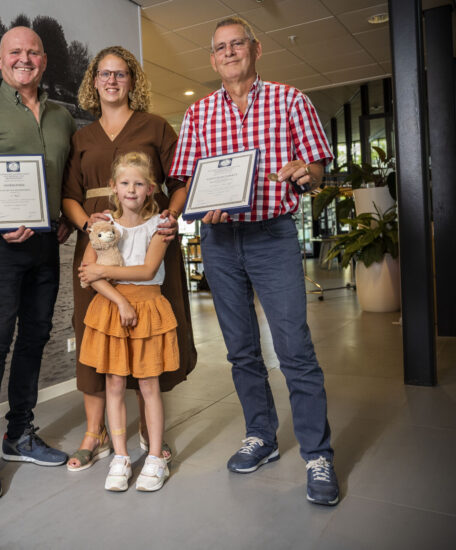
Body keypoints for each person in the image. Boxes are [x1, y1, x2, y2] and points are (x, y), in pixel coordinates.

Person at [169, 17, 339, 506]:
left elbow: (318, 172)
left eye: (236, 44)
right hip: (218, 239)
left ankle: (318, 454)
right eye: (219, 47)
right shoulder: (199, 114)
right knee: (241, 349)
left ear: (255, 49)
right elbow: (184, 180)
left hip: (272, 236)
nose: (228, 53)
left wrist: (305, 173)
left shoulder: (290, 100)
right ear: (212, 58)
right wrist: (179, 211)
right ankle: (261, 436)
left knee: (294, 348)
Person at [0, 26, 77, 501]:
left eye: (33, 52)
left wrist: (67, 217)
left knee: (36, 338)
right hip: (0, 247)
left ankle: (18, 435)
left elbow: (66, 180)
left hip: (46, 246)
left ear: (43, 61)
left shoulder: (64, 117)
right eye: (15, 53)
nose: (25, 59)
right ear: (0, 60)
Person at [62, 46, 196, 471]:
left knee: (149, 328)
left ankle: (147, 430)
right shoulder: (82, 138)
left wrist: (170, 218)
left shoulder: (155, 127)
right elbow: (68, 196)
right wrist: (89, 228)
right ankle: (94, 432)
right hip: (100, 237)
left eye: (121, 74)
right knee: (95, 333)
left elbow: (180, 182)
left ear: (132, 81)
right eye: (105, 74)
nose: (113, 81)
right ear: (94, 82)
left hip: (149, 237)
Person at [78, 151, 178, 492]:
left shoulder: (159, 227)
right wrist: (119, 299)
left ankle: (154, 456)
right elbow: (87, 275)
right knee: (114, 386)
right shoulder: (103, 227)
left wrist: (104, 270)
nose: (131, 189)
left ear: (151, 189)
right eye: (124, 183)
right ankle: (120, 457)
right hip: (113, 309)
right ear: (112, 187)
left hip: (148, 307)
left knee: (149, 386)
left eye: (139, 184)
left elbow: (147, 270)